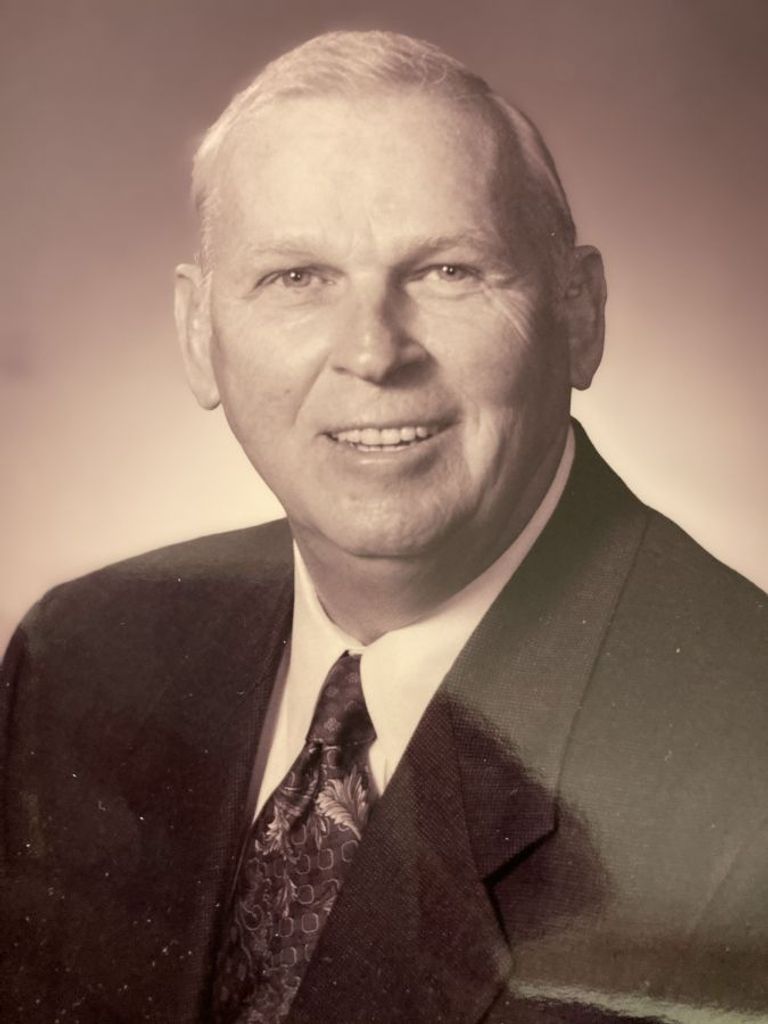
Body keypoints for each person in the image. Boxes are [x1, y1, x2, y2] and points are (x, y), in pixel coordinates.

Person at [1, 29, 766, 1024]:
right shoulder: (77, 660)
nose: (372, 351)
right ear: (198, 333)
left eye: (448, 270)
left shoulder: (743, 763)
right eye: (297, 278)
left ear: (578, 314)